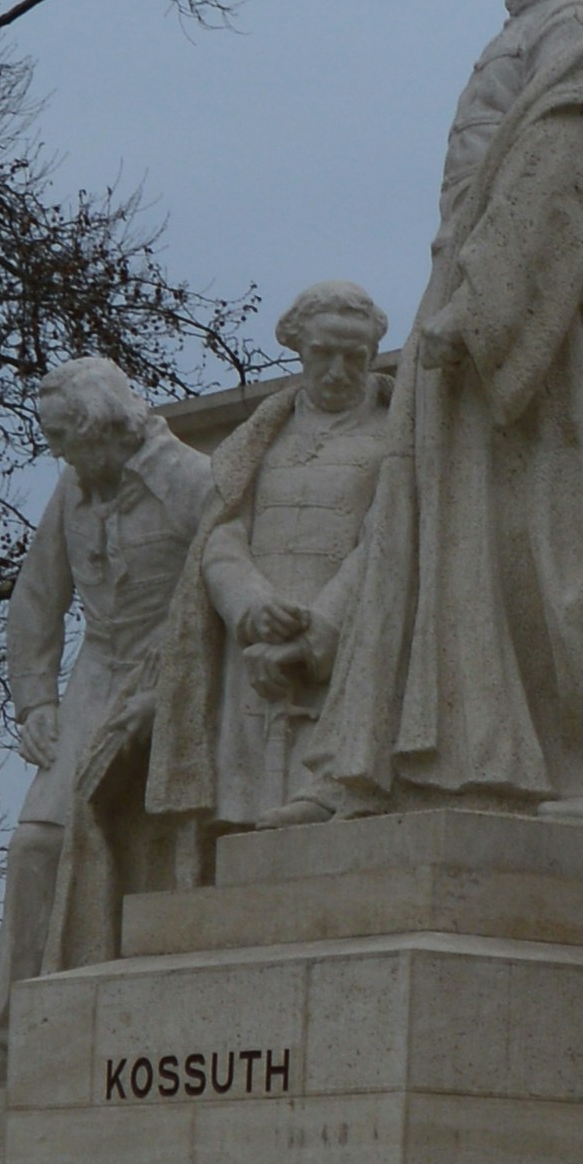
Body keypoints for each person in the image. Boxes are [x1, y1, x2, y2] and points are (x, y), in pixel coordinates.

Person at [318, 0, 583, 827]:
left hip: (544, 331)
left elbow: (563, 190)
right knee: (484, 550)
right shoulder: (536, 26)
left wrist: (476, 308)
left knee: (573, 543)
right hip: (477, 311)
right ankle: (488, 763)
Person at [0, 362, 212, 997]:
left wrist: (165, 693)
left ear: (98, 427)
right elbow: (36, 598)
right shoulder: (73, 487)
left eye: (60, 436)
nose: (53, 449)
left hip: (171, 681)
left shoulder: (192, 480)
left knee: (136, 850)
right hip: (94, 674)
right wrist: (34, 703)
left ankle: (118, 1005)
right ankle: (7, 1031)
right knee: (33, 847)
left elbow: (218, 594)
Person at [146, 281, 405, 848]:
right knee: (245, 823)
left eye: (354, 357)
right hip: (254, 650)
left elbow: (386, 540)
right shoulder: (260, 436)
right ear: (299, 350)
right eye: (322, 354)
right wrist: (249, 605)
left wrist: (317, 630)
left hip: (339, 647)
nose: (337, 371)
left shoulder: (397, 437)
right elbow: (221, 532)